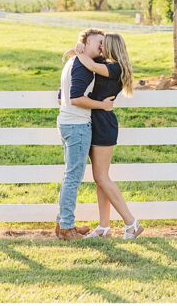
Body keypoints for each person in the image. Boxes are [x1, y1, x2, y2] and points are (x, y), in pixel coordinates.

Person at [66, 32, 143, 239]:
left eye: (103, 45)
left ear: (111, 47)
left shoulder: (115, 68)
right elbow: (91, 62)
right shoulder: (107, 64)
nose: (100, 48)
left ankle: (131, 223)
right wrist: (78, 49)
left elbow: (89, 66)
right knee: (100, 179)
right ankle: (104, 227)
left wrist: (78, 51)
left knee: (101, 177)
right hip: (96, 121)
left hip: (103, 124)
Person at [55, 28, 115, 241]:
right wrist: (102, 105)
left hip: (66, 122)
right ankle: (67, 228)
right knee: (73, 177)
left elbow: (61, 98)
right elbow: (76, 98)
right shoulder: (83, 66)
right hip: (77, 126)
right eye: (99, 42)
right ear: (86, 42)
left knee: (69, 175)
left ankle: (63, 222)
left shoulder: (72, 61)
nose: (102, 47)